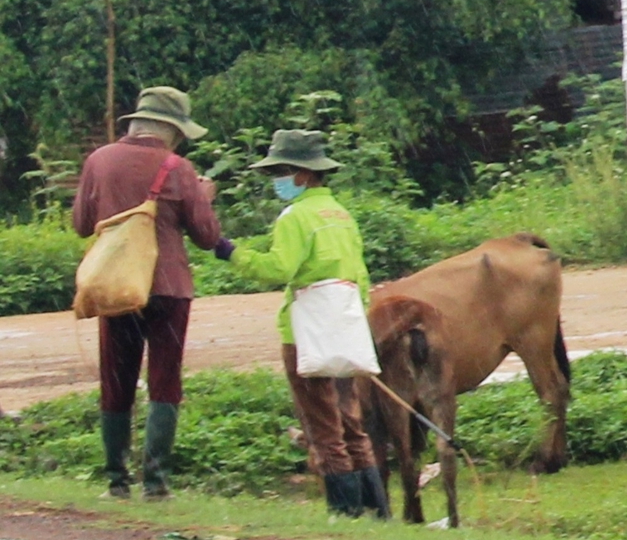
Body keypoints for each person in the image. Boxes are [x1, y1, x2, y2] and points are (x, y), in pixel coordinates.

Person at [214, 129, 390, 518]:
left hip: (305, 334)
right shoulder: (340, 214)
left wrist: (230, 253)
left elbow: (278, 268)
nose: (276, 180)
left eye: (280, 171)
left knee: (322, 424)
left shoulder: (296, 217)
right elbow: (359, 275)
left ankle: (344, 510)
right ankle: (377, 510)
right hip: (344, 328)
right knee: (351, 421)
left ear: (301, 174)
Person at [73, 86, 221, 500]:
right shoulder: (178, 168)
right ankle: (156, 484)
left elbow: (82, 225)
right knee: (164, 381)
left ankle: (116, 481)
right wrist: (204, 199)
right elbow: (207, 236)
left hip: (119, 284)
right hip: (169, 288)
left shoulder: (98, 162)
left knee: (116, 379)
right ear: (171, 129)